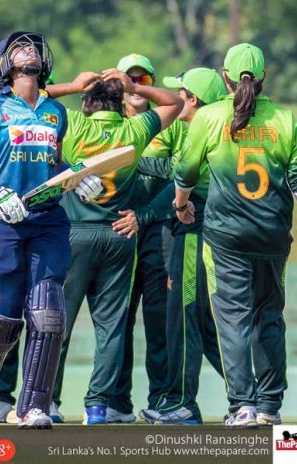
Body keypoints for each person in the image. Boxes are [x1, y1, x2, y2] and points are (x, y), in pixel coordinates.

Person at [174, 43, 297, 427]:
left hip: (226, 236)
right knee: (268, 316)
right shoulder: (285, 119)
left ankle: (241, 406)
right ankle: (269, 406)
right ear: (262, 78)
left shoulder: (210, 117)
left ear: (225, 78)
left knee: (232, 319)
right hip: (273, 236)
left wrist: (181, 205)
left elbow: (186, 172)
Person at [0, 31, 99, 429]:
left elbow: (54, 162)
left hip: (48, 221)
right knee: (4, 312)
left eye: (33, 47)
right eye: (19, 48)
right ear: (4, 63)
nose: (28, 50)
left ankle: (33, 405)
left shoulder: (57, 112)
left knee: (48, 312)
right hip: (2, 222)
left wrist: (76, 177)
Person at [46, 69, 183, 425]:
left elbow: (31, 97)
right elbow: (175, 102)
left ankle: (48, 402)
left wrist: (73, 86)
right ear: (120, 103)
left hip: (74, 234)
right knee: (110, 327)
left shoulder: (73, 124)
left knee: (59, 321)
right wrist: (134, 86)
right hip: (118, 236)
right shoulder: (133, 130)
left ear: (87, 102)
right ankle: (97, 407)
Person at [130, 67, 227, 424]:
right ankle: (252, 395)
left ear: (194, 100)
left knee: (185, 319)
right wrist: (127, 158)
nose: (176, 97)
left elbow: (177, 174)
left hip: (194, 235)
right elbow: (170, 166)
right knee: (204, 325)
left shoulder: (200, 131)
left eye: (181, 92)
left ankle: (182, 404)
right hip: (214, 237)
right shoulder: (216, 130)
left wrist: (122, 157)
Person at [109, 53, 185, 422]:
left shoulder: (171, 126)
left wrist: (145, 214)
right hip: (117, 235)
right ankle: (116, 401)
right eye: (129, 79)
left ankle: (161, 401)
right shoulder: (109, 123)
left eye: (142, 78)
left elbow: (178, 176)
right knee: (117, 322)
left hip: (158, 234)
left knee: (158, 323)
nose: (135, 85)